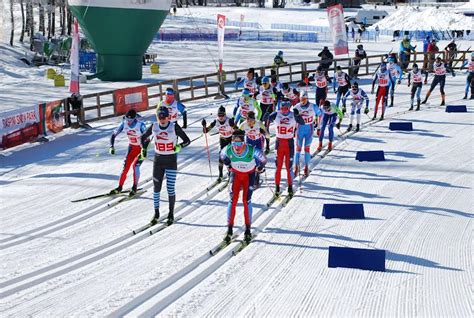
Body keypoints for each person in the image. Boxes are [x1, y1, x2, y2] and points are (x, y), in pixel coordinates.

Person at [140, 106, 191, 226]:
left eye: (164, 117)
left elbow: (187, 140)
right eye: (159, 117)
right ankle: (156, 213)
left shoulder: (173, 127)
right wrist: (143, 149)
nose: (161, 119)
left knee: (170, 189)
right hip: (158, 161)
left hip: (171, 161)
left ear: (168, 117)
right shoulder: (154, 126)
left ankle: (171, 214)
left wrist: (179, 146)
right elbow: (143, 138)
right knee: (156, 189)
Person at [220, 129, 267, 243]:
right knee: (233, 200)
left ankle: (247, 230)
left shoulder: (251, 150)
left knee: (246, 201)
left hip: (248, 176)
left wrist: (260, 167)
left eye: (239, 143)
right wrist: (227, 164)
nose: (237, 146)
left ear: (244, 142)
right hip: (236, 175)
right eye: (234, 143)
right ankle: (229, 229)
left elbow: (263, 159)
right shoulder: (228, 149)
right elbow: (222, 155)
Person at [267, 100, 305, 196]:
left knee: (289, 168)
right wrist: (267, 114)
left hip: (289, 143)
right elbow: (266, 118)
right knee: (278, 167)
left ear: (289, 108)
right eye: (282, 108)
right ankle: (277, 188)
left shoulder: (293, 115)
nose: (284, 110)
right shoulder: (277, 114)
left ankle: (290, 187)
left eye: (286, 108)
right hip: (279, 143)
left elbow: (302, 122)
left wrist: (297, 115)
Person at [109, 109, 148, 196]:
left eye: (130, 120)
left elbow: (147, 138)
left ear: (135, 118)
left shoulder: (140, 125)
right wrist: (111, 146)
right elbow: (113, 135)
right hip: (131, 148)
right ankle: (119, 187)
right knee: (125, 167)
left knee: (135, 166)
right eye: (127, 119)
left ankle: (134, 187)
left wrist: (144, 149)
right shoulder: (124, 123)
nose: (129, 122)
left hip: (141, 148)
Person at [202, 106, 236, 182]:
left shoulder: (229, 120)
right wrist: (204, 125)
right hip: (223, 140)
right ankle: (220, 174)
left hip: (231, 139)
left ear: (225, 114)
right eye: (219, 115)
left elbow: (238, 131)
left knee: (231, 156)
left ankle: (231, 172)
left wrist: (233, 125)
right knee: (221, 157)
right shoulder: (215, 121)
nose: (220, 117)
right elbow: (205, 131)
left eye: (222, 115)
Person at [294, 91, 321, 177]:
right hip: (299, 129)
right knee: (298, 149)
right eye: (301, 99)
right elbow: (291, 118)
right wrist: (292, 129)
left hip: (309, 129)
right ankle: (296, 167)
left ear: (307, 99)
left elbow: (320, 115)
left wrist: (319, 126)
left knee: (306, 149)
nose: (303, 101)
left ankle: (306, 167)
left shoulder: (313, 106)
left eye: (304, 99)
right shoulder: (296, 107)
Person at [239, 111, 269, 186]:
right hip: (249, 140)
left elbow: (267, 135)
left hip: (259, 140)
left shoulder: (259, 123)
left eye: (252, 121)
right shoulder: (243, 124)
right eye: (248, 120)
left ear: (254, 120)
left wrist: (267, 144)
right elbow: (237, 133)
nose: (250, 123)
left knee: (258, 157)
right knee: (249, 157)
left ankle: (257, 177)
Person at [257, 76, 278, 154]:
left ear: (268, 83)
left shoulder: (272, 89)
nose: (264, 85)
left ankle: (268, 146)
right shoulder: (261, 88)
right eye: (263, 84)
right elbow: (256, 94)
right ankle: (259, 144)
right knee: (259, 125)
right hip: (262, 106)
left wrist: (274, 97)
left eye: (265, 84)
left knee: (266, 127)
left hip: (269, 107)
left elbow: (276, 98)